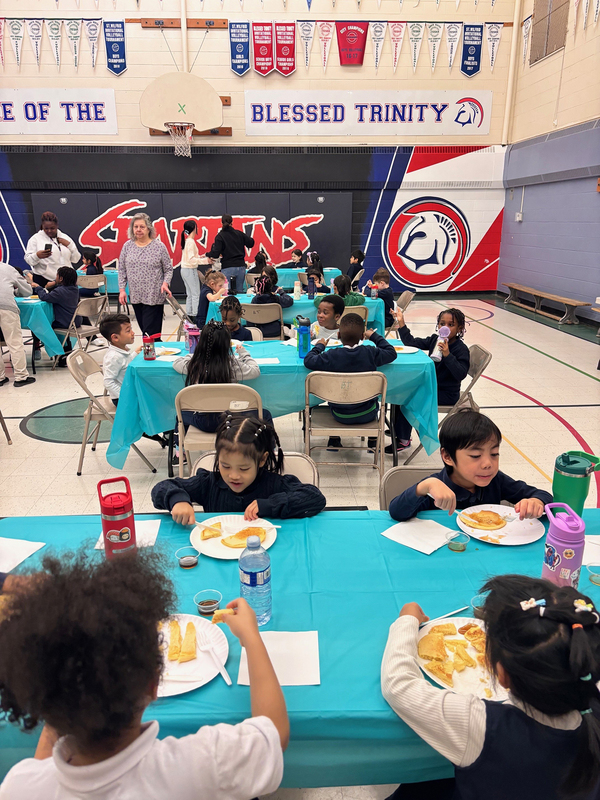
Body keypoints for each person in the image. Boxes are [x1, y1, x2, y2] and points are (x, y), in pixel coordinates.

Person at [0, 549, 288, 799]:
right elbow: (275, 732)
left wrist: (60, 685)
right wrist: (251, 638)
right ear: (154, 684)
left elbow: (41, 765)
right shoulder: (204, 763)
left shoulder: (17, 787)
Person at [381, 574, 600, 800]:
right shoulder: (589, 700)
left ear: (502, 675)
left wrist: (406, 620)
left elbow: (399, 685)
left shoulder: (482, 724)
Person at [152, 414, 326, 522]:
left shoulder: (273, 484)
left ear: (262, 460)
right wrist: (177, 500)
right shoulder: (209, 484)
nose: (233, 476)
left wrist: (270, 505)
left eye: (243, 469)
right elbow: (160, 488)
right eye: (225, 466)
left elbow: (314, 497)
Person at [389, 410, 553, 522]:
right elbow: (396, 512)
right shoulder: (436, 487)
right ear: (447, 456)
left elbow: (543, 496)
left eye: (494, 454)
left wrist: (536, 502)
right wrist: (423, 487)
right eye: (475, 456)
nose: (488, 464)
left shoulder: (496, 480)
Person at [304, 312, 396, 451]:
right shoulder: (370, 353)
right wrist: (374, 336)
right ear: (362, 336)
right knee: (372, 399)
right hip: (368, 414)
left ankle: (334, 440)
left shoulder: (332, 355)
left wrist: (320, 346)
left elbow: (308, 361)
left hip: (339, 415)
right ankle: (373, 441)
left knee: (337, 395)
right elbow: (391, 352)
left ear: (339, 336)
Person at [388, 307, 470, 455]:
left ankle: (403, 439)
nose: (444, 328)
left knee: (407, 397)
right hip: (431, 386)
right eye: (441, 324)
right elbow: (411, 343)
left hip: (447, 393)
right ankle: (399, 429)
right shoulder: (435, 340)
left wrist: (447, 355)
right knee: (400, 391)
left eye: (450, 325)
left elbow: (460, 374)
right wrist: (401, 323)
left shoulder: (461, 349)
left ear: (460, 328)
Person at [173, 320, 270, 433]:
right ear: (227, 343)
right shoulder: (233, 365)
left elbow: (176, 363)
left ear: (201, 343)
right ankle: (269, 448)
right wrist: (244, 353)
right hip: (231, 420)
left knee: (179, 415)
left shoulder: (195, 364)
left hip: (203, 421)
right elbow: (255, 371)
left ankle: (180, 449)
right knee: (265, 414)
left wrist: (197, 354)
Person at [118, 212, 173, 340]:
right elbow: (121, 269)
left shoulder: (159, 247)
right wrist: (122, 290)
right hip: (136, 296)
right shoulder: (127, 246)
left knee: (148, 334)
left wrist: (165, 283)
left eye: (142, 227)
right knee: (148, 333)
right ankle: (156, 351)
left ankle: (150, 355)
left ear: (149, 228)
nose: (138, 230)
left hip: (154, 296)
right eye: (135, 226)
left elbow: (168, 269)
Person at [26, 266, 81, 366]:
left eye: (57, 275)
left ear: (61, 278)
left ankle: (51, 351)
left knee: (39, 324)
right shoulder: (75, 289)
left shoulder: (60, 291)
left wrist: (38, 287)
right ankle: (65, 351)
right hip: (75, 321)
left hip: (65, 322)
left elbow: (44, 297)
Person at [0, 261, 35, 387]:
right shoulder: (7, 268)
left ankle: (0, 377)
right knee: (14, 342)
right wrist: (15, 293)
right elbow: (27, 290)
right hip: (6, 307)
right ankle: (21, 377)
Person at [24, 211, 80, 287]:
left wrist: (70, 246)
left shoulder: (65, 237)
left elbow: (76, 259)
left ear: (57, 226)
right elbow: (28, 260)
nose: (49, 231)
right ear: (42, 226)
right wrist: (37, 256)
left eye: (52, 228)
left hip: (66, 281)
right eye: (46, 228)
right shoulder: (35, 239)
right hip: (44, 279)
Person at [99, 313, 142, 406]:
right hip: (121, 399)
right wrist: (125, 396)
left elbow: (126, 364)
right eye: (128, 330)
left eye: (131, 328)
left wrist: (135, 353)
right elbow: (108, 382)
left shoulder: (121, 350)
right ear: (115, 337)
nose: (133, 332)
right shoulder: (113, 357)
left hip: (130, 391)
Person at [206, 214, 254, 293]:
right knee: (239, 292)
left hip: (227, 267)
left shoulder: (220, 236)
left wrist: (208, 254)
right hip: (240, 266)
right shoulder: (239, 234)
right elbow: (251, 243)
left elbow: (215, 254)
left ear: (221, 223)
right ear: (232, 223)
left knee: (225, 292)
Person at [179, 220, 203, 322]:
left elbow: (192, 257)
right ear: (194, 228)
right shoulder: (190, 242)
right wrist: (206, 260)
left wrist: (202, 257)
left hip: (184, 269)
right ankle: (195, 315)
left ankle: (189, 315)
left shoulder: (187, 241)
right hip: (190, 269)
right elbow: (192, 260)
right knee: (195, 294)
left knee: (190, 293)